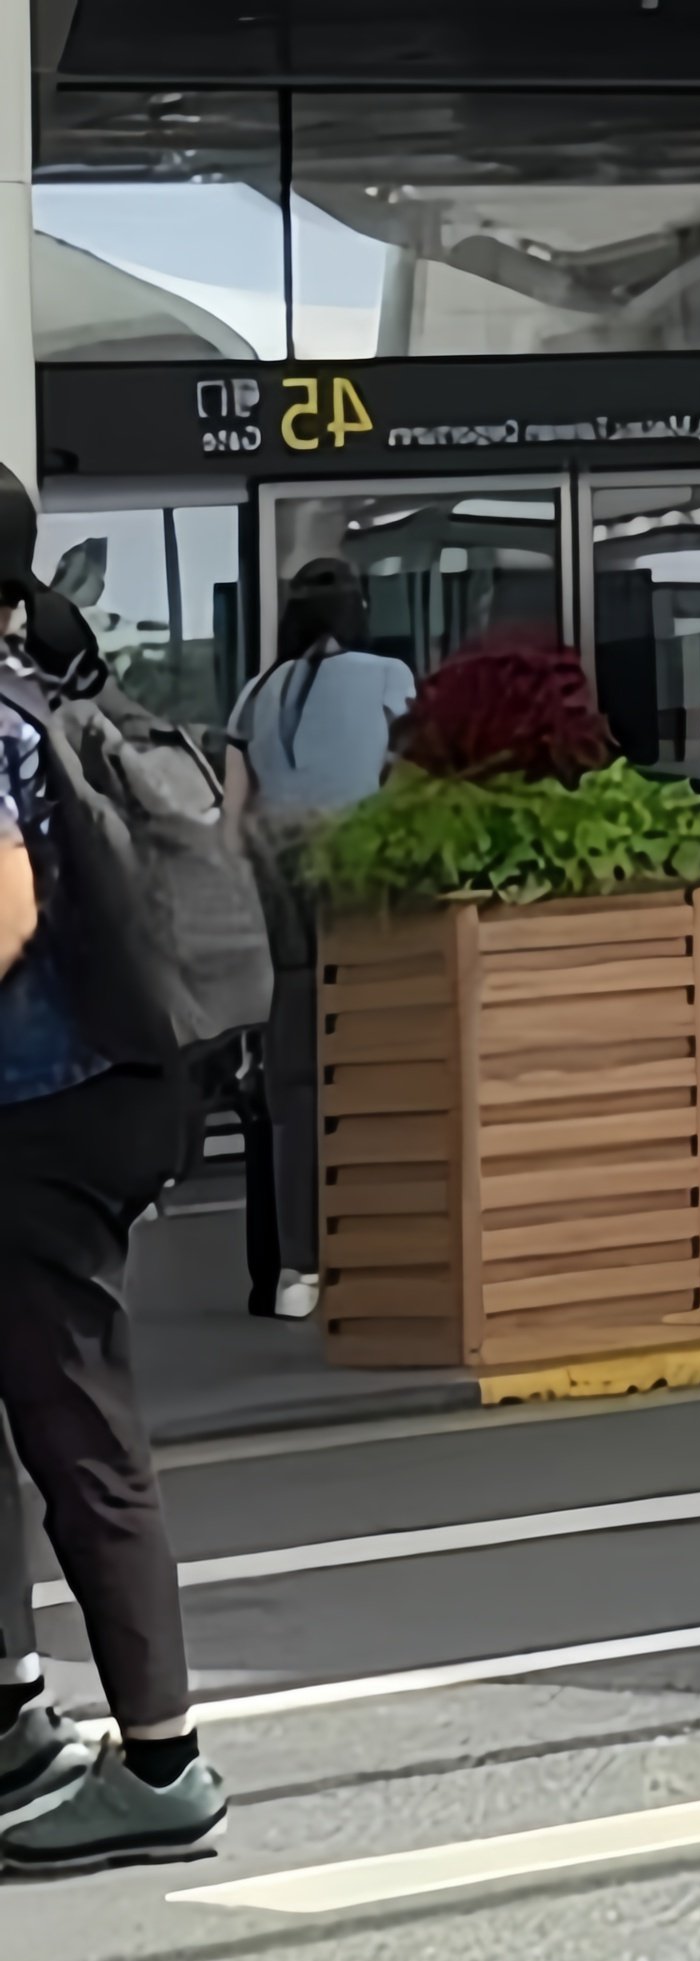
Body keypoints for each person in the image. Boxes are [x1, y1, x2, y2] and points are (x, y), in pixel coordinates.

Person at [0, 476, 223, 1877]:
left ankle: (161, 1763)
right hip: (92, 1103)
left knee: (78, 1425)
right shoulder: (43, 695)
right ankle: (13, 1715)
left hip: (38, 1121)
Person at [219, 554, 408, 1323]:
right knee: (376, 1074)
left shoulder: (254, 694)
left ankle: (297, 1270)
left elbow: (231, 826)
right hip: (363, 897)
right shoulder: (391, 678)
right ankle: (375, 1247)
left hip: (280, 908)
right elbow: (411, 790)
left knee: (294, 1087)